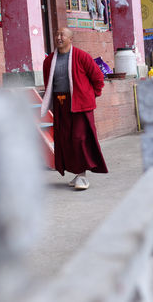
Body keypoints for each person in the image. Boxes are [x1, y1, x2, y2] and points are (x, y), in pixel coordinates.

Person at [40, 27, 108, 190]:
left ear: (71, 39)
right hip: (60, 104)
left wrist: (91, 96)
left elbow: (98, 77)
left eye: (62, 34)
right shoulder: (49, 61)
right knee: (65, 140)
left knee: (79, 139)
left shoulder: (81, 56)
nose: (59, 37)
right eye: (56, 34)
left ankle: (82, 175)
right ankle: (76, 173)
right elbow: (48, 83)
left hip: (80, 105)